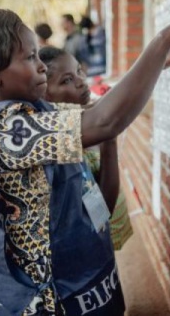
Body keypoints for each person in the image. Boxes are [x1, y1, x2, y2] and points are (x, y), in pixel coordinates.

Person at [0, 8, 170, 316]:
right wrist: (163, 39)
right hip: (37, 302)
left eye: (38, 55)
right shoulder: (8, 128)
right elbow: (104, 121)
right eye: (29, 58)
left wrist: (159, 64)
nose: (41, 68)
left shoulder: (29, 111)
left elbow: (93, 110)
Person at [38, 46, 134, 250]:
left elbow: (109, 104)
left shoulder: (86, 120)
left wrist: (161, 64)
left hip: (103, 243)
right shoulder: (69, 148)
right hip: (95, 246)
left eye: (79, 71)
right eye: (67, 80)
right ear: (46, 97)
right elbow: (101, 211)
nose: (81, 81)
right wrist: (109, 138)